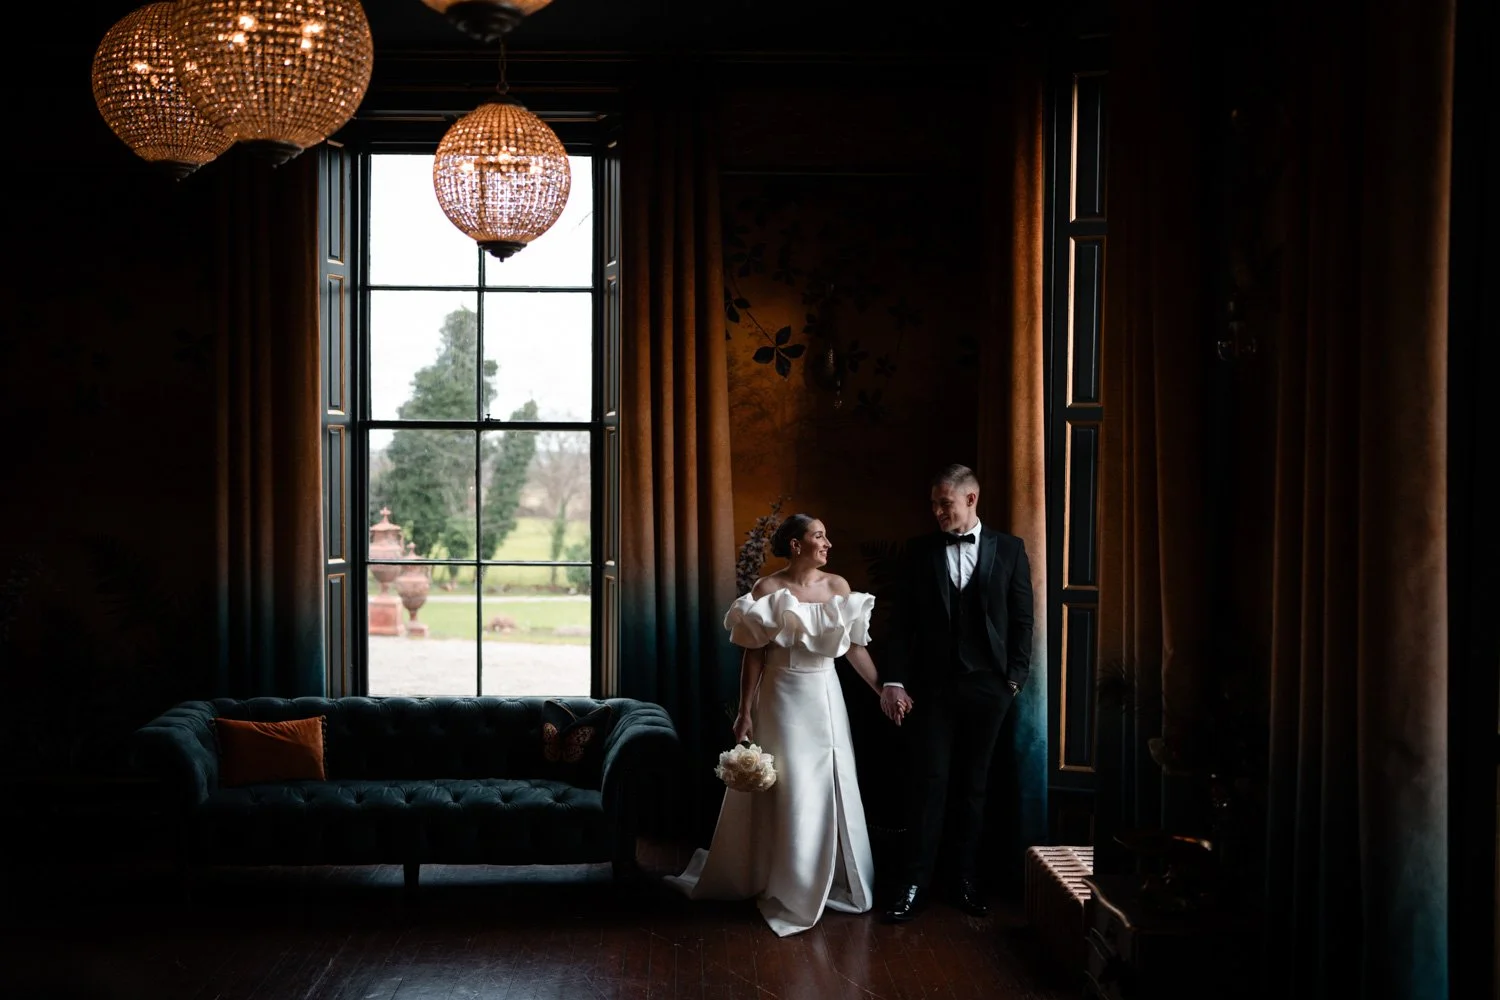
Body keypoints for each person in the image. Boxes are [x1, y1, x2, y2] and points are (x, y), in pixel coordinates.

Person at [664, 513, 896, 936]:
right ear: (795, 544)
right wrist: (745, 711)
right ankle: (783, 881)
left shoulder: (838, 587)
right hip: (780, 698)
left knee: (826, 783)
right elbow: (754, 654)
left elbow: (853, 647)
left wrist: (882, 689)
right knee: (788, 786)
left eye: (826, 535)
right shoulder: (767, 589)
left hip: (825, 696)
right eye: (818, 536)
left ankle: (821, 880)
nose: (827, 543)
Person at [877, 464, 1034, 922]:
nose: (936, 511)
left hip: (990, 687)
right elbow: (901, 623)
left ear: (971, 499)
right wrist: (894, 680)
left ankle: (964, 880)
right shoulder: (919, 551)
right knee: (929, 783)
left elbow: (1022, 618)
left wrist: (1013, 679)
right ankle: (914, 883)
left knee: (975, 786)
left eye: (944, 503)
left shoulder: (1010, 548)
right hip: (932, 689)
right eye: (933, 504)